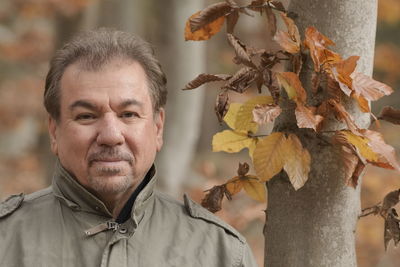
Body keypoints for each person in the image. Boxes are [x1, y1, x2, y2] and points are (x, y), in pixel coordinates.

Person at [0, 29, 257, 267]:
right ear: (54, 131)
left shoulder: (219, 253)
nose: (111, 136)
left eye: (129, 114)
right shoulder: (6, 241)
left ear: (158, 127)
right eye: (87, 116)